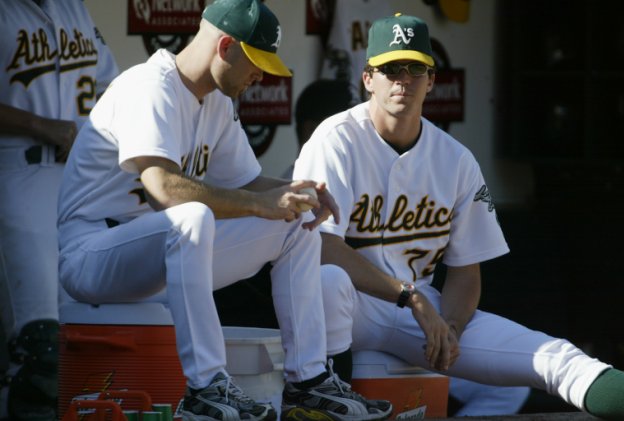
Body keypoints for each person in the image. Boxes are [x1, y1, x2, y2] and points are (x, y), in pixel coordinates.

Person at [56, 1, 392, 420]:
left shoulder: (214, 100)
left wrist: (296, 192)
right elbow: (162, 187)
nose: (261, 74)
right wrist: (260, 203)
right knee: (192, 216)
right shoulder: (150, 86)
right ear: (226, 46)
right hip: (93, 255)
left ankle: (307, 382)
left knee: (299, 220)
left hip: (161, 253)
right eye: (255, 61)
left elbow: (247, 183)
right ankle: (206, 387)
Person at [293, 12, 624, 420]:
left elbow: (466, 270)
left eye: (415, 68)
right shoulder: (335, 139)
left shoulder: (455, 159)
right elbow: (325, 248)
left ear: (431, 79)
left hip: (417, 310)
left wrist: (449, 327)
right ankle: (326, 403)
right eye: (390, 68)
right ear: (368, 78)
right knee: (329, 281)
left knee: (555, 358)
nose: (403, 79)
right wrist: (412, 297)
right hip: (355, 307)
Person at [0, 1, 119, 419]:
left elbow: (111, 85)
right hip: (17, 169)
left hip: (78, 181)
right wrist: (38, 124)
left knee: (84, 335)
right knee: (40, 347)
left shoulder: (74, 9)